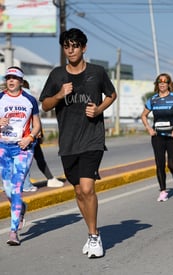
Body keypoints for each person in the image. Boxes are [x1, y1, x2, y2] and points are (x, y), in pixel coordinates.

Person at [39, 28, 117, 258]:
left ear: (84, 48)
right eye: (66, 46)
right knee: (78, 192)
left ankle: (94, 237)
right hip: (68, 142)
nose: (70, 50)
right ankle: (93, 232)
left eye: (75, 45)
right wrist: (59, 95)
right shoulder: (56, 76)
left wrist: (99, 109)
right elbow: (44, 105)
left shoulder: (97, 72)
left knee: (87, 188)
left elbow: (111, 95)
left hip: (92, 139)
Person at [0, 66, 41, 245]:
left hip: (23, 148)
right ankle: (21, 207)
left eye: (14, 78)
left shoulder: (29, 100)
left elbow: (37, 125)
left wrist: (30, 137)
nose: (11, 81)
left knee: (16, 189)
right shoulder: (0, 98)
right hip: (3, 147)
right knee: (8, 190)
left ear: (21, 81)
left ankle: (13, 232)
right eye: (8, 77)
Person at [140, 73, 173, 202]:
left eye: (165, 82)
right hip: (158, 137)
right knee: (160, 164)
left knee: (172, 164)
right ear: (157, 84)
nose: (162, 84)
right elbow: (143, 115)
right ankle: (163, 191)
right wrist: (149, 128)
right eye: (159, 82)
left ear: (169, 84)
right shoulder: (153, 100)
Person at [21, 80, 63, 191]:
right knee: (30, 158)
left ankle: (50, 178)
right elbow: (34, 115)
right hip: (30, 133)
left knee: (30, 157)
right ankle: (26, 185)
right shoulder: (28, 95)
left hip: (19, 133)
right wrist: (39, 131)